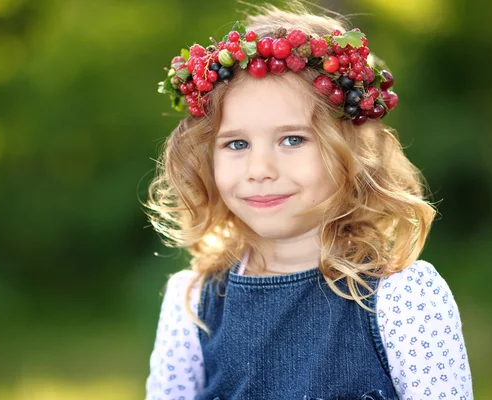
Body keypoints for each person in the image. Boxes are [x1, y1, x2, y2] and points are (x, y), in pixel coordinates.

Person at [144, 3, 472, 399]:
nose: (260, 168)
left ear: (352, 152)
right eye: (236, 143)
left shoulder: (403, 301)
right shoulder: (194, 304)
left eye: (292, 139)